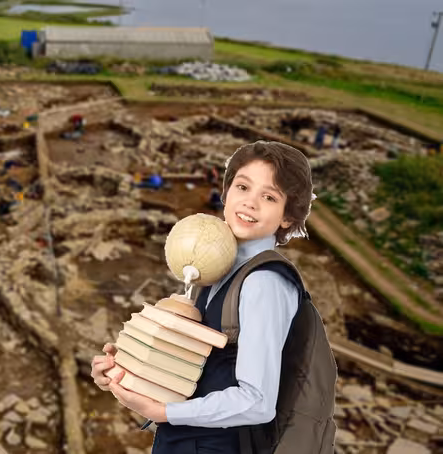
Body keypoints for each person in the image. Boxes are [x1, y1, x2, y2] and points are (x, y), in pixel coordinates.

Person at [91, 141, 316, 454]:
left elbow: (258, 401)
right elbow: (199, 363)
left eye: (269, 196)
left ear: (287, 217)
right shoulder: (217, 265)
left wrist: (164, 412)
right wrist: (129, 365)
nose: (250, 203)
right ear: (226, 193)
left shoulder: (264, 283)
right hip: (185, 439)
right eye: (242, 187)